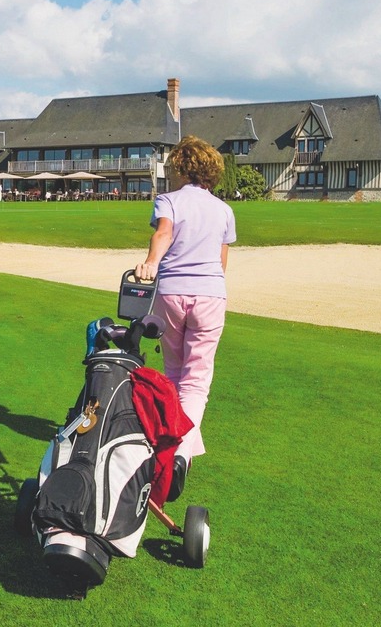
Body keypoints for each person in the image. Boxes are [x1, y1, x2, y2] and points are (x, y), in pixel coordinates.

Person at [134, 136, 236, 500]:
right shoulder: (224, 210)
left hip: (171, 293)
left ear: (180, 168)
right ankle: (180, 453)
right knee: (197, 381)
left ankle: (171, 449)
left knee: (175, 374)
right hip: (210, 293)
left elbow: (164, 233)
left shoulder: (169, 201)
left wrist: (150, 263)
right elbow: (221, 261)